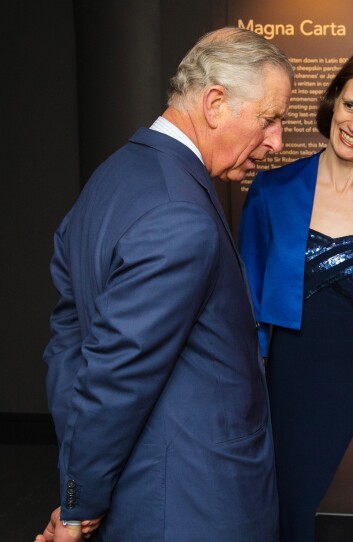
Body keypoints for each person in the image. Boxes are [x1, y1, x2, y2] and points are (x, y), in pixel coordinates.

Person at [37, 27, 293, 542]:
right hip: (193, 509)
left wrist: (78, 482)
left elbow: (71, 345)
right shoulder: (182, 213)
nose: (276, 141)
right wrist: (76, 507)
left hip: (146, 495)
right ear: (215, 103)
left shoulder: (113, 175)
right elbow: (115, 375)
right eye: (269, 119)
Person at [238, 49, 353, 542]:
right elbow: (243, 310)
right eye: (350, 106)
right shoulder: (272, 192)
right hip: (288, 391)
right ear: (332, 103)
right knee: (292, 517)